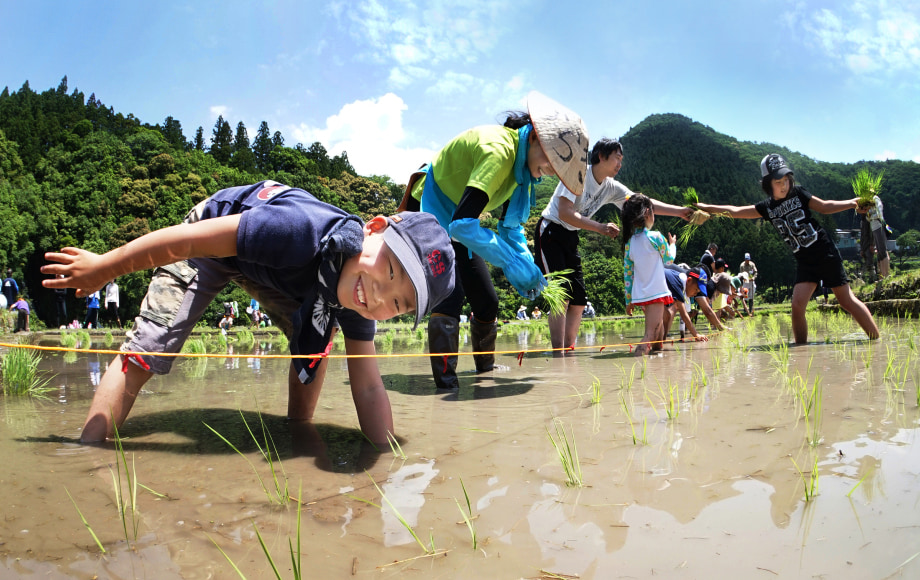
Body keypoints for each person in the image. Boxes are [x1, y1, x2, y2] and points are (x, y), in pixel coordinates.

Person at [42, 180, 456, 443]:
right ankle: (89, 448)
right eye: (388, 270)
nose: (379, 297)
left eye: (398, 304)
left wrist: (388, 459)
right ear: (374, 227)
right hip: (212, 240)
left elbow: (367, 388)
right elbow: (183, 242)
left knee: (315, 340)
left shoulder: (359, 299)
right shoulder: (300, 230)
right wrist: (105, 267)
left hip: (283, 277)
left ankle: (299, 430)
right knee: (151, 347)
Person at [400, 91, 589, 389]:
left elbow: (511, 229)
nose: (551, 171)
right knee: (451, 294)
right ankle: (445, 384)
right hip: (436, 212)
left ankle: (484, 372)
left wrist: (527, 265)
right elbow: (462, 225)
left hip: (463, 222)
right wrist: (511, 261)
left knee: (487, 301)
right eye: (553, 161)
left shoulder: (523, 173)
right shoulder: (499, 152)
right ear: (536, 137)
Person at [696, 153, 879, 344]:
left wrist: (852, 203)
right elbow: (734, 211)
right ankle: (800, 350)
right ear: (768, 184)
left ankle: (876, 341)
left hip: (825, 253)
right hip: (804, 261)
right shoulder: (766, 208)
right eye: (778, 181)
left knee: (845, 300)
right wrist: (705, 208)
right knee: (797, 306)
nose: (784, 185)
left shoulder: (799, 193)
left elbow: (824, 206)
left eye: (786, 180)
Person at [535, 138, 692, 355]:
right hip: (551, 231)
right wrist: (599, 227)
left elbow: (643, 203)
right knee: (561, 296)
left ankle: (568, 352)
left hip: (572, 236)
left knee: (579, 301)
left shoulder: (611, 187)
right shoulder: (578, 173)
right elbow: (564, 212)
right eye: (617, 158)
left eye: (621, 159)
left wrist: (680, 211)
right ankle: (558, 353)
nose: (620, 164)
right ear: (601, 156)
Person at [622, 194, 676, 355]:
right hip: (655, 292)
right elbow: (669, 259)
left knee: (657, 331)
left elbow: (628, 274)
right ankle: (637, 365)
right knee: (650, 334)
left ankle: (656, 355)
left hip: (641, 294)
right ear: (647, 213)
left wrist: (629, 300)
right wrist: (672, 244)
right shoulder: (656, 237)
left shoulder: (629, 243)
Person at [662, 266, 716, 341]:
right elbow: (684, 315)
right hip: (645, 287)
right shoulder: (678, 283)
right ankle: (659, 341)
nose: (695, 293)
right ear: (689, 280)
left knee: (670, 311)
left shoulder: (683, 285)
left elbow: (685, 313)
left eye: (698, 292)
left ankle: (661, 340)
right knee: (666, 313)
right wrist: (696, 335)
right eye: (696, 289)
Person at [865, 195, 890, 279]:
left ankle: (886, 274)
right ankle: (882, 275)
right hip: (874, 228)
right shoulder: (868, 204)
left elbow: (879, 213)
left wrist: (871, 216)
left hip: (879, 226)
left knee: (883, 250)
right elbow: (867, 218)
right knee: (879, 252)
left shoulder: (876, 199)